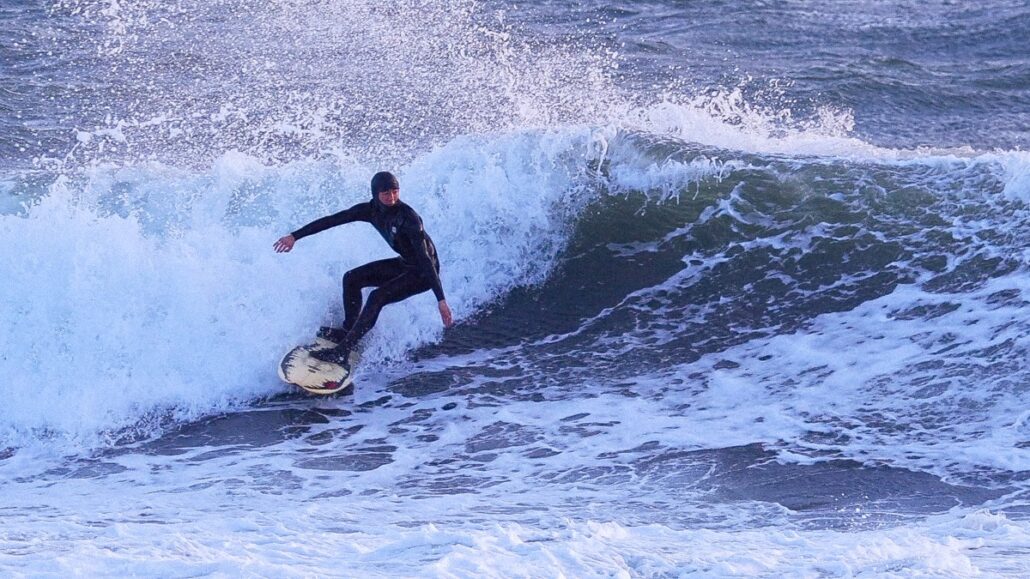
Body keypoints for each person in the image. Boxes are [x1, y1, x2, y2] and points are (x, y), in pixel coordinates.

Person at [274, 171, 453, 368]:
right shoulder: (369, 210)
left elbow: (425, 260)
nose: (392, 197)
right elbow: (332, 220)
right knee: (352, 278)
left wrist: (441, 300)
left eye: (395, 191)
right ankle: (348, 330)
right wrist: (294, 236)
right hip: (404, 264)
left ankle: (342, 352)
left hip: (424, 273)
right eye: (386, 193)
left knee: (377, 297)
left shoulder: (409, 218)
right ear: (375, 194)